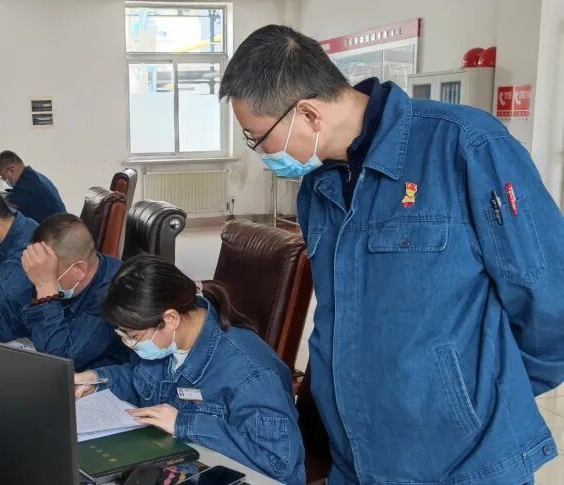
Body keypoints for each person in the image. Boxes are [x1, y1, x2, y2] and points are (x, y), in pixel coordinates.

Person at [219, 25, 564, 485]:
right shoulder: (318, 187)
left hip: (461, 464)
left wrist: (475, 401)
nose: (261, 153)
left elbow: (549, 302)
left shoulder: (464, 145)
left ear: (309, 114)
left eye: (257, 137)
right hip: (355, 455)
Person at [74, 256, 305, 484]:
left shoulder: (251, 373)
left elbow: (278, 463)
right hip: (177, 462)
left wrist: (183, 424)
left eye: (133, 336)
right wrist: (98, 380)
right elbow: (141, 380)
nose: (129, 344)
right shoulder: (169, 340)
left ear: (170, 319)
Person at [0, 214, 130, 371]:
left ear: (79, 269)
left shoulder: (113, 295)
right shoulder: (60, 276)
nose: (36, 280)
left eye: (46, 273)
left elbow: (60, 359)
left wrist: (46, 287)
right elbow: (6, 315)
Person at [0, 150, 66, 223]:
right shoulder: (36, 176)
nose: (4, 179)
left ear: (11, 169)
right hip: (64, 222)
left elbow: (8, 215)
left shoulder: (26, 187)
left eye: (3, 176)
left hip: (54, 227)